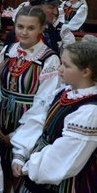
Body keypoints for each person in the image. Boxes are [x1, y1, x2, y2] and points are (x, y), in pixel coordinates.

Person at [0, 6, 61, 192]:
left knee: (19, 171)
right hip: (1, 116)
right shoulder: (8, 50)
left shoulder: (49, 59)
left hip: (29, 121)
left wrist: (16, 135)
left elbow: (45, 101)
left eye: (31, 28)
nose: (24, 32)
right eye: (20, 26)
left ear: (41, 29)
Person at [11, 41, 97, 192]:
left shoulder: (90, 111)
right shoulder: (62, 92)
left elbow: (65, 155)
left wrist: (29, 167)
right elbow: (38, 121)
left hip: (63, 176)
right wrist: (21, 152)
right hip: (37, 165)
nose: (59, 69)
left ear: (85, 72)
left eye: (66, 65)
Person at [5, 0, 76, 54]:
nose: (56, 12)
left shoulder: (50, 28)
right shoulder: (16, 35)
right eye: (51, 7)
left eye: (57, 8)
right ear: (36, 8)